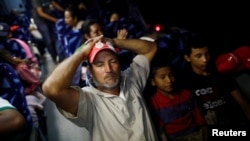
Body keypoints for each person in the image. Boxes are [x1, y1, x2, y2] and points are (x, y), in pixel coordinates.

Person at [42, 35, 159, 141]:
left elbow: (151, 48)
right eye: (99, 64)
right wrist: (81, 53)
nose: (108, 69)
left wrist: (114, 41)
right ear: (90, 72)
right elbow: (51, 88)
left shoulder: (131, 79)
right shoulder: (88, 100)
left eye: (113, 62)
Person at [180, 35, 250, 126]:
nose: (205, 60)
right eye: (198, 56)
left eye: (207, 54)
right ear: (187, 58)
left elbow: (242, 103)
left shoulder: (220, 73)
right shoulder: (185, 81)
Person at [148, 52, 207, 141]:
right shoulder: (154, 103)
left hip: (196, 135)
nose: (169, 80)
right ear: (153, 82)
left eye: (171, 75)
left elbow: (201, 122)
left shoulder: (186, 95)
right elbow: (160, 131)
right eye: (162, 77)